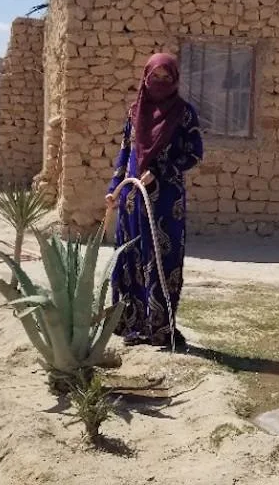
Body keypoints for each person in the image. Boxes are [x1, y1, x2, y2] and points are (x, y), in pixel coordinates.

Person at [105, 53, 204, 348]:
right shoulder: (135, 112)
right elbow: (125, 154)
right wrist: (115, 188)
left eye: (166, 77)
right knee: (130, 258)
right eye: (155, 76)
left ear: (174, 80)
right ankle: (133, 325)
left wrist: (160, 171)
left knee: (163, 259)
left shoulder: (184, 114)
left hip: (165, 203)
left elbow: (194, 154)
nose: (160, 83)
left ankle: (161, 328)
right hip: (132, 200)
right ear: (145, 77)